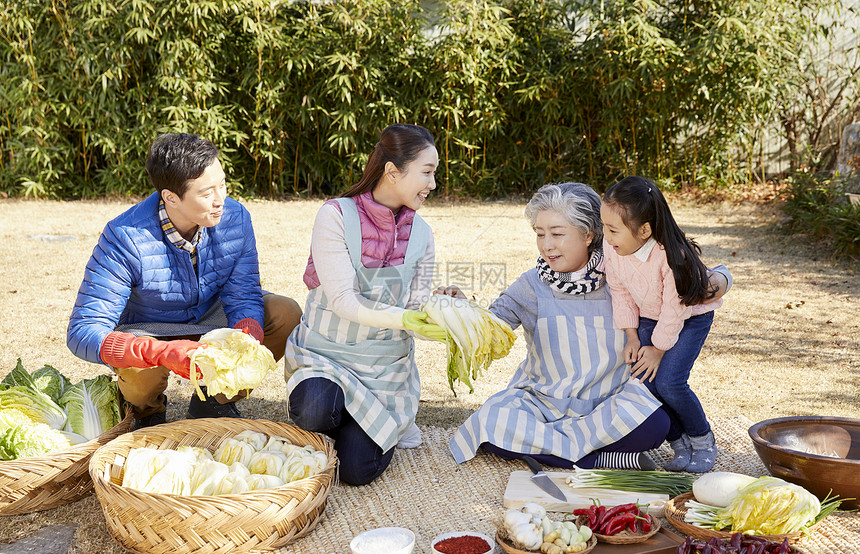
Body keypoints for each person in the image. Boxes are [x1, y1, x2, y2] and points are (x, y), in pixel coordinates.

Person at [447, 182, 730, 471]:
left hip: (608, 403)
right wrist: (460, 309)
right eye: (540, 234)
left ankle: (548, 448)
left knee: (656, 424)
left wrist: (721, 281)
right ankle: (600, 458)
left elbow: (689, 274)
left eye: (557, 234)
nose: (547, 245)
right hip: (542, 403)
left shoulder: (623, 271)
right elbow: (490, 325)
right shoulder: (531, 285)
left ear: (588, 234)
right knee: (492, 420)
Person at [67, 133, 302, 428]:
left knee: (285, 313)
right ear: (171, 197)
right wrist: (162, 352)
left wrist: (247, 340)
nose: (221, 201)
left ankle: (214, 403)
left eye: (223, 185)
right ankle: (146, 410)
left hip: (211, 318)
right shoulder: (124, 236)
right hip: (149, 330)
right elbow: (82, 331)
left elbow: (243, 296)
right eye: (206, 194)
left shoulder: (235, 217)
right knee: (140, 370)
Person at [283, 124, 447, 486]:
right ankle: (346, 419)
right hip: (327, 357)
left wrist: (447, 308)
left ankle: (368, 423)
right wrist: (406, 316)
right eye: (427, 172)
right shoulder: (336, 216)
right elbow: (343, 300)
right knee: (315, 409)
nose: (433, 185)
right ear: (392, 171)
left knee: (357, 472)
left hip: (383, 372)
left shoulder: (422, 235)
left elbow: (417, 307)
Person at [601, 175, 726, 473]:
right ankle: (679, 441)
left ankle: (702, 439)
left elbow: (675, 309)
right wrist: (632, 337)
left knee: (670, 382)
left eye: (613, 229)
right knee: (646, 382)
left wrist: (657, 349)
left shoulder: (671, 257)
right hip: (650, 315)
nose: (606, 236)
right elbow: (619, 291)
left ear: (644, 230)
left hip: (689, 317)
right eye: (604, 226)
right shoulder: (614, 249)